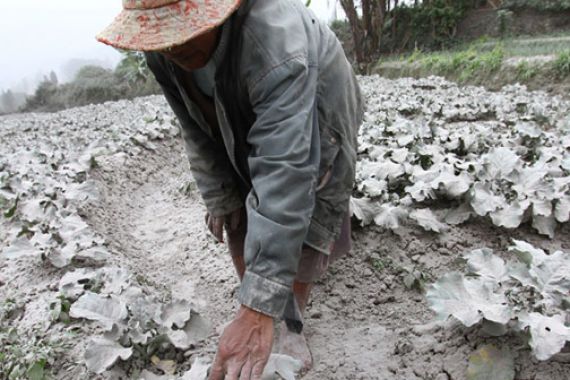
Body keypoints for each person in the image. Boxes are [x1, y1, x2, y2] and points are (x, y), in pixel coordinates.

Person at [97, 0, 363, 378]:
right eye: (162, 37)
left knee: (306, 200)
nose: (173, 48)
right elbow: (194, 126)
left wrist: (260, 308)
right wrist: (219, 191)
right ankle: (256, 305)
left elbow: (287, 169)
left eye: (182, 31)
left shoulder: (273, 37)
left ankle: (288, 320)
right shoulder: (161, 56)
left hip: (319, 102)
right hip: (238, 103)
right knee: (236, 205)